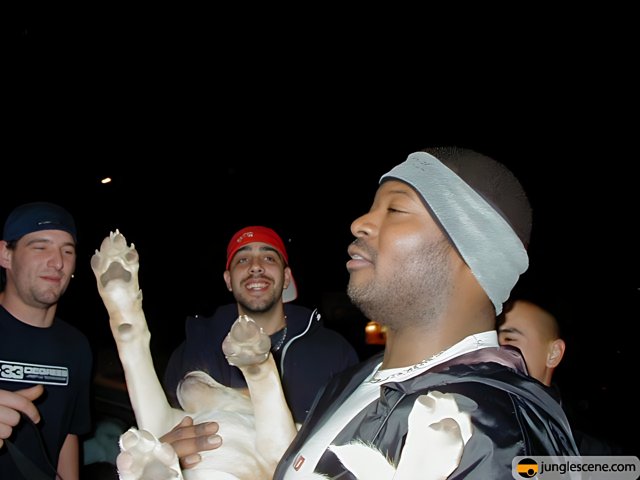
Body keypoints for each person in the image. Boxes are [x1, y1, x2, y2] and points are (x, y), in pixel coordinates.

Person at [270, 147, 579, 478]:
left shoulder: (495, 432)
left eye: (396, 209)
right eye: (372, 208)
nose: (360, 223)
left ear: (473, 255)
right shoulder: (346, 383)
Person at [163, 225, 359, 424]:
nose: (255, 266)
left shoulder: (335, 353)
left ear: (287, 278)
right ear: (229, 280)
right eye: (242, 260)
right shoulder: (194, 349)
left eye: (269, 258)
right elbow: (165, 429)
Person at [0, 201, 93, 480]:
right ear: (5, 254)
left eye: (68, 250)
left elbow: (68, 434)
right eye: (40, 247)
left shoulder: (77, 346)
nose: (58, 262)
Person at [497, 298, 624, 455]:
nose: (494, 348)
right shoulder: (468, 414)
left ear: (554, 353)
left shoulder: (595, 456)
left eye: (509, 339)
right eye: (491, 339)